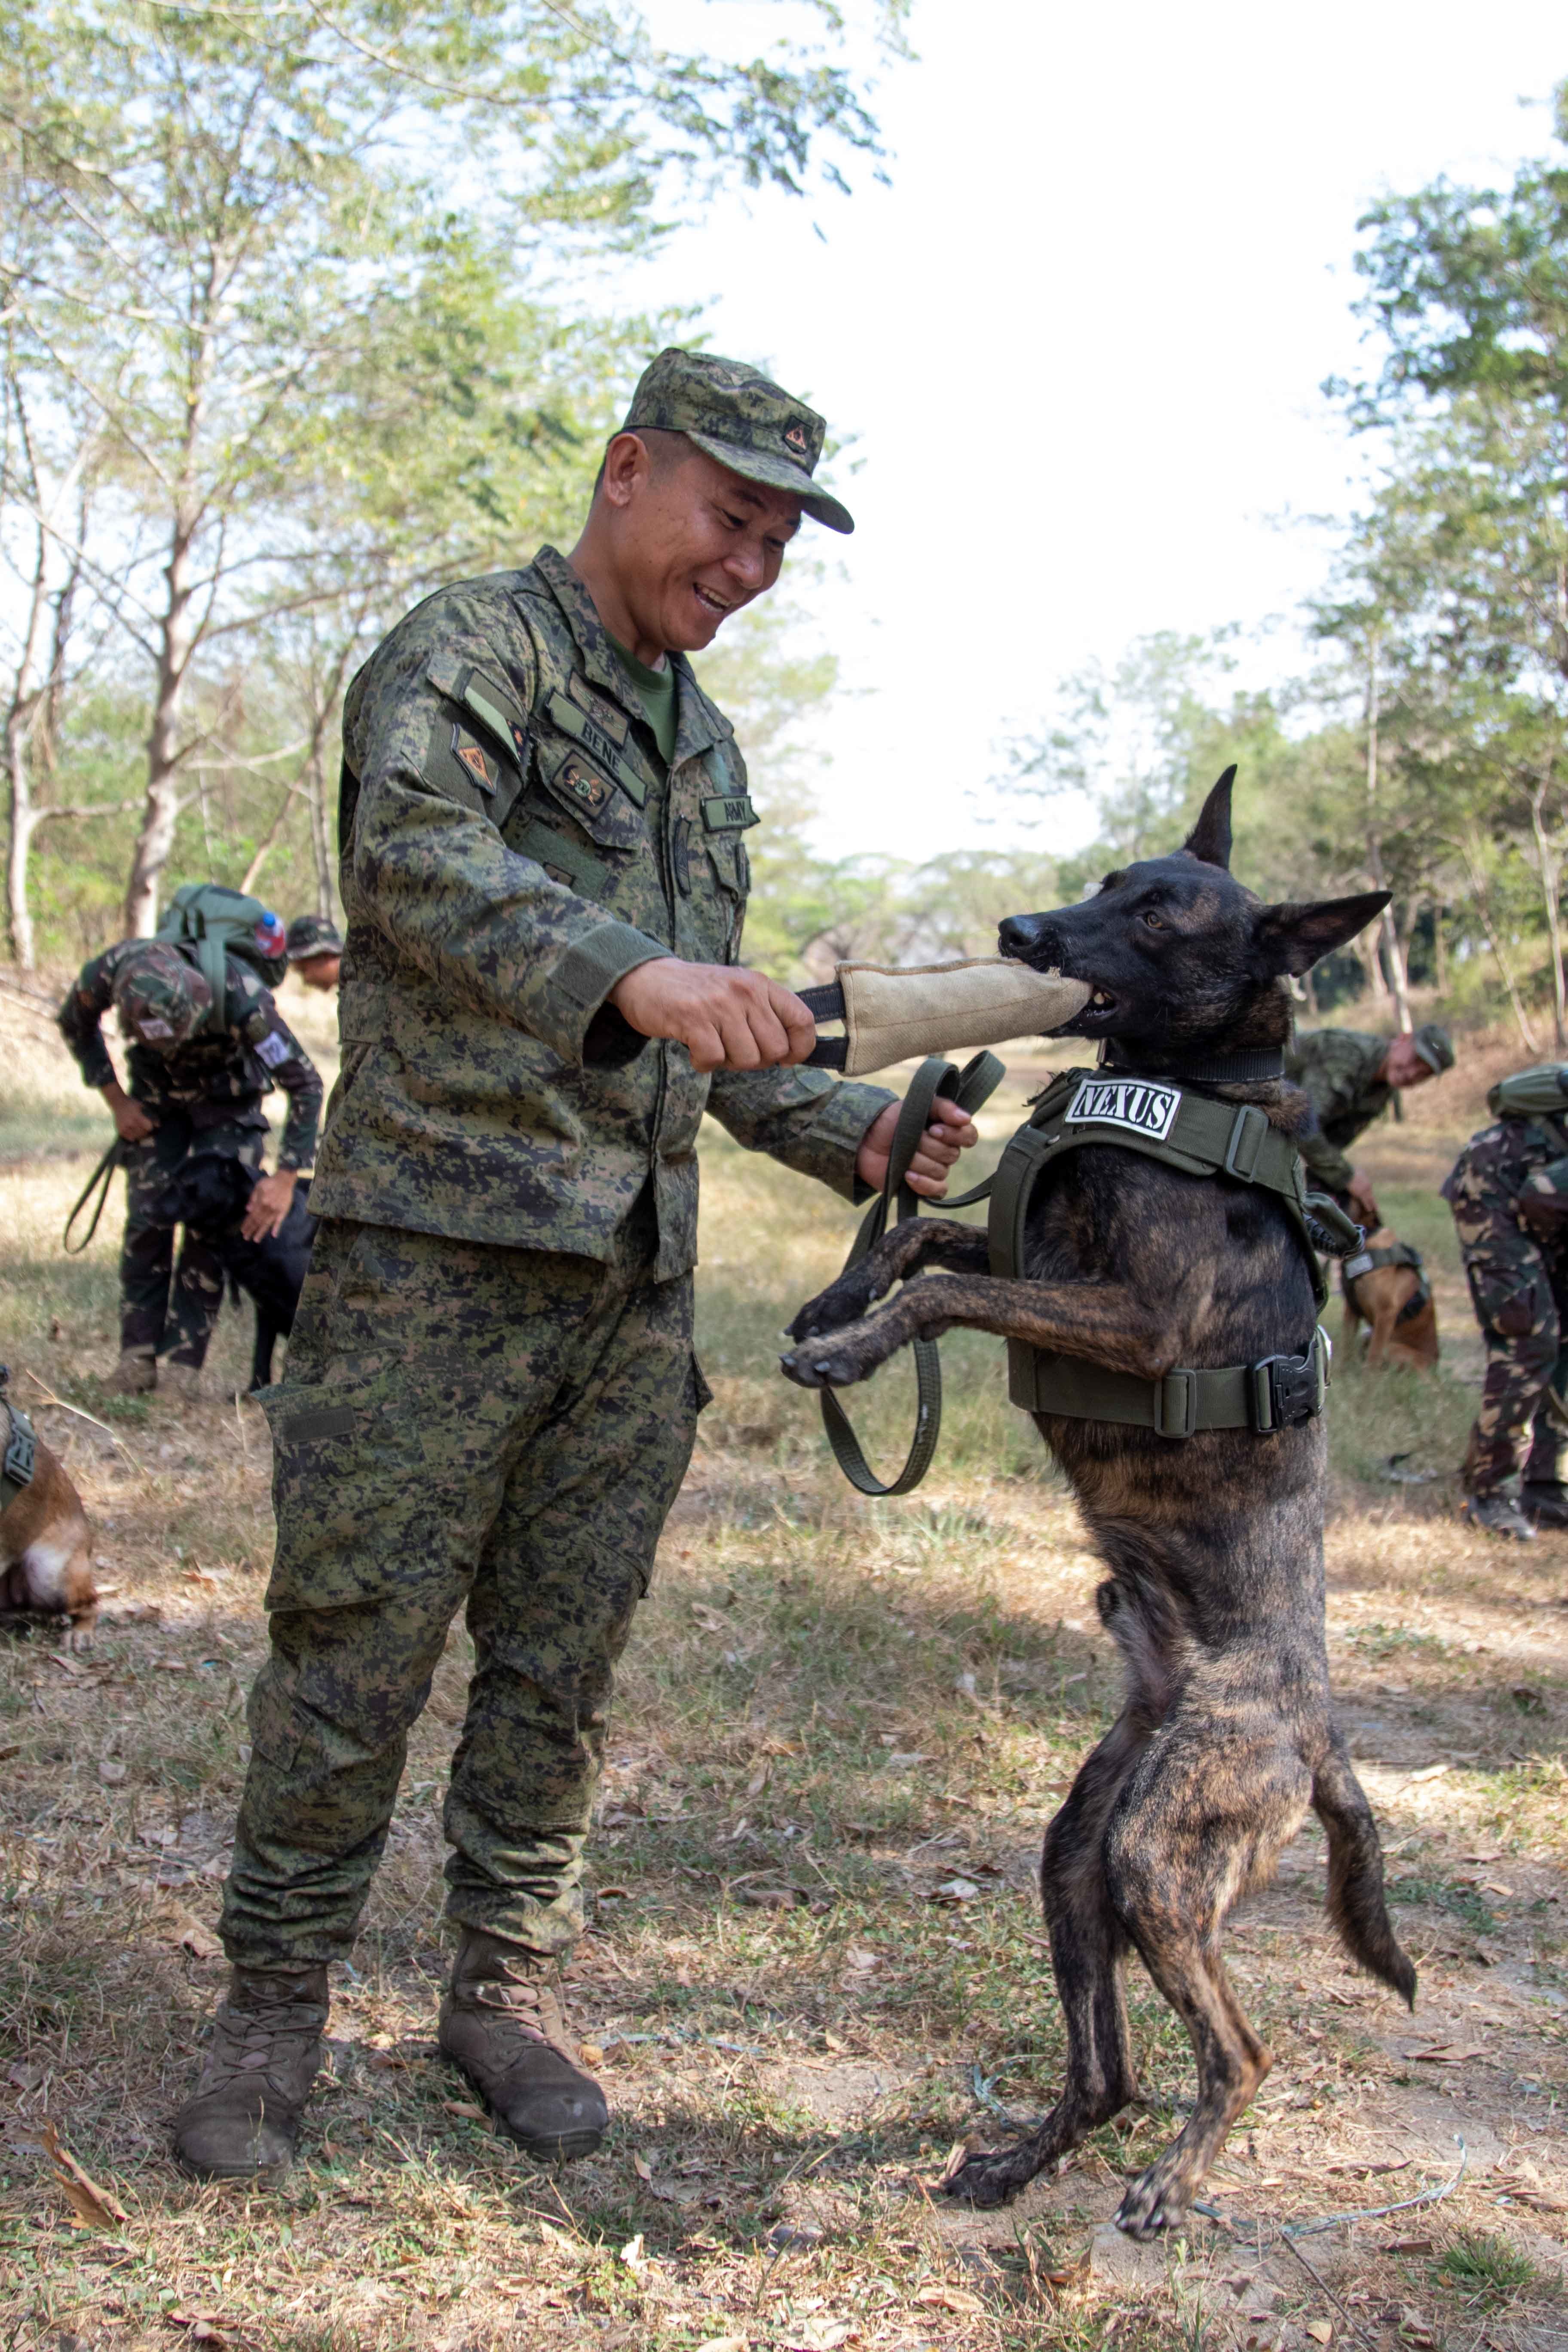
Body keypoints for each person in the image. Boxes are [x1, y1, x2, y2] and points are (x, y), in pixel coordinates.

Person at [173, 347, 983, 2183]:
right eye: (731, 519)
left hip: (628, 1290)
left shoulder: (704, 747)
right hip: (432, 1263)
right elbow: (413, 859)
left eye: (781, 540)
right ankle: (269, 2007)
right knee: (350, 1648)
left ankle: (501, 1986)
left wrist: (843, 1127)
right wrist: (630, 968)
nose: (752, 566)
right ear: (626, 471)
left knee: (560, 1662)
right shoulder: (476, 648)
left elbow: (712, 1018)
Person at [59, 932, 323, 1400]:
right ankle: (135, 1360)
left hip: (230, 1103)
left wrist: (286, 1177)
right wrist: (118, 1102)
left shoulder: (240, 996)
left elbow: (304, 1082)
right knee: (148, 1217)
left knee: (215, 1230)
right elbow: (75, 1024)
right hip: (157, 1103)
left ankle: (182, 1368)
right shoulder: (110, 971)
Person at [1443, 1082, 1568, 1540]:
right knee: (1528, 1335)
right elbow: (1540, 1196)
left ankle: (1543, 1486)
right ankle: (1490, 1492)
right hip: (1494, 1189)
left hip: (1543, 1210)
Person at [1286, 1021, 1454, 1226]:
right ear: (1403, 1039)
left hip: (1274, 1129)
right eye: (1416, 1060)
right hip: (1245, 1099)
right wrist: (1347, 1176)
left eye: (1424, 1074)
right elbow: (1301, 1125)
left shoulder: (1382, 1092)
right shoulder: (1348, 1054)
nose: (1413, 1074)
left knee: (1355, 1211)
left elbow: (1330, 1145)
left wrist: (1343, 1186)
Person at [285, 913, 344, 991]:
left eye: (304, 970)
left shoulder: (362, 985)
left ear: (324, 956)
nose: (306, 982)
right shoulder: (352, 985)